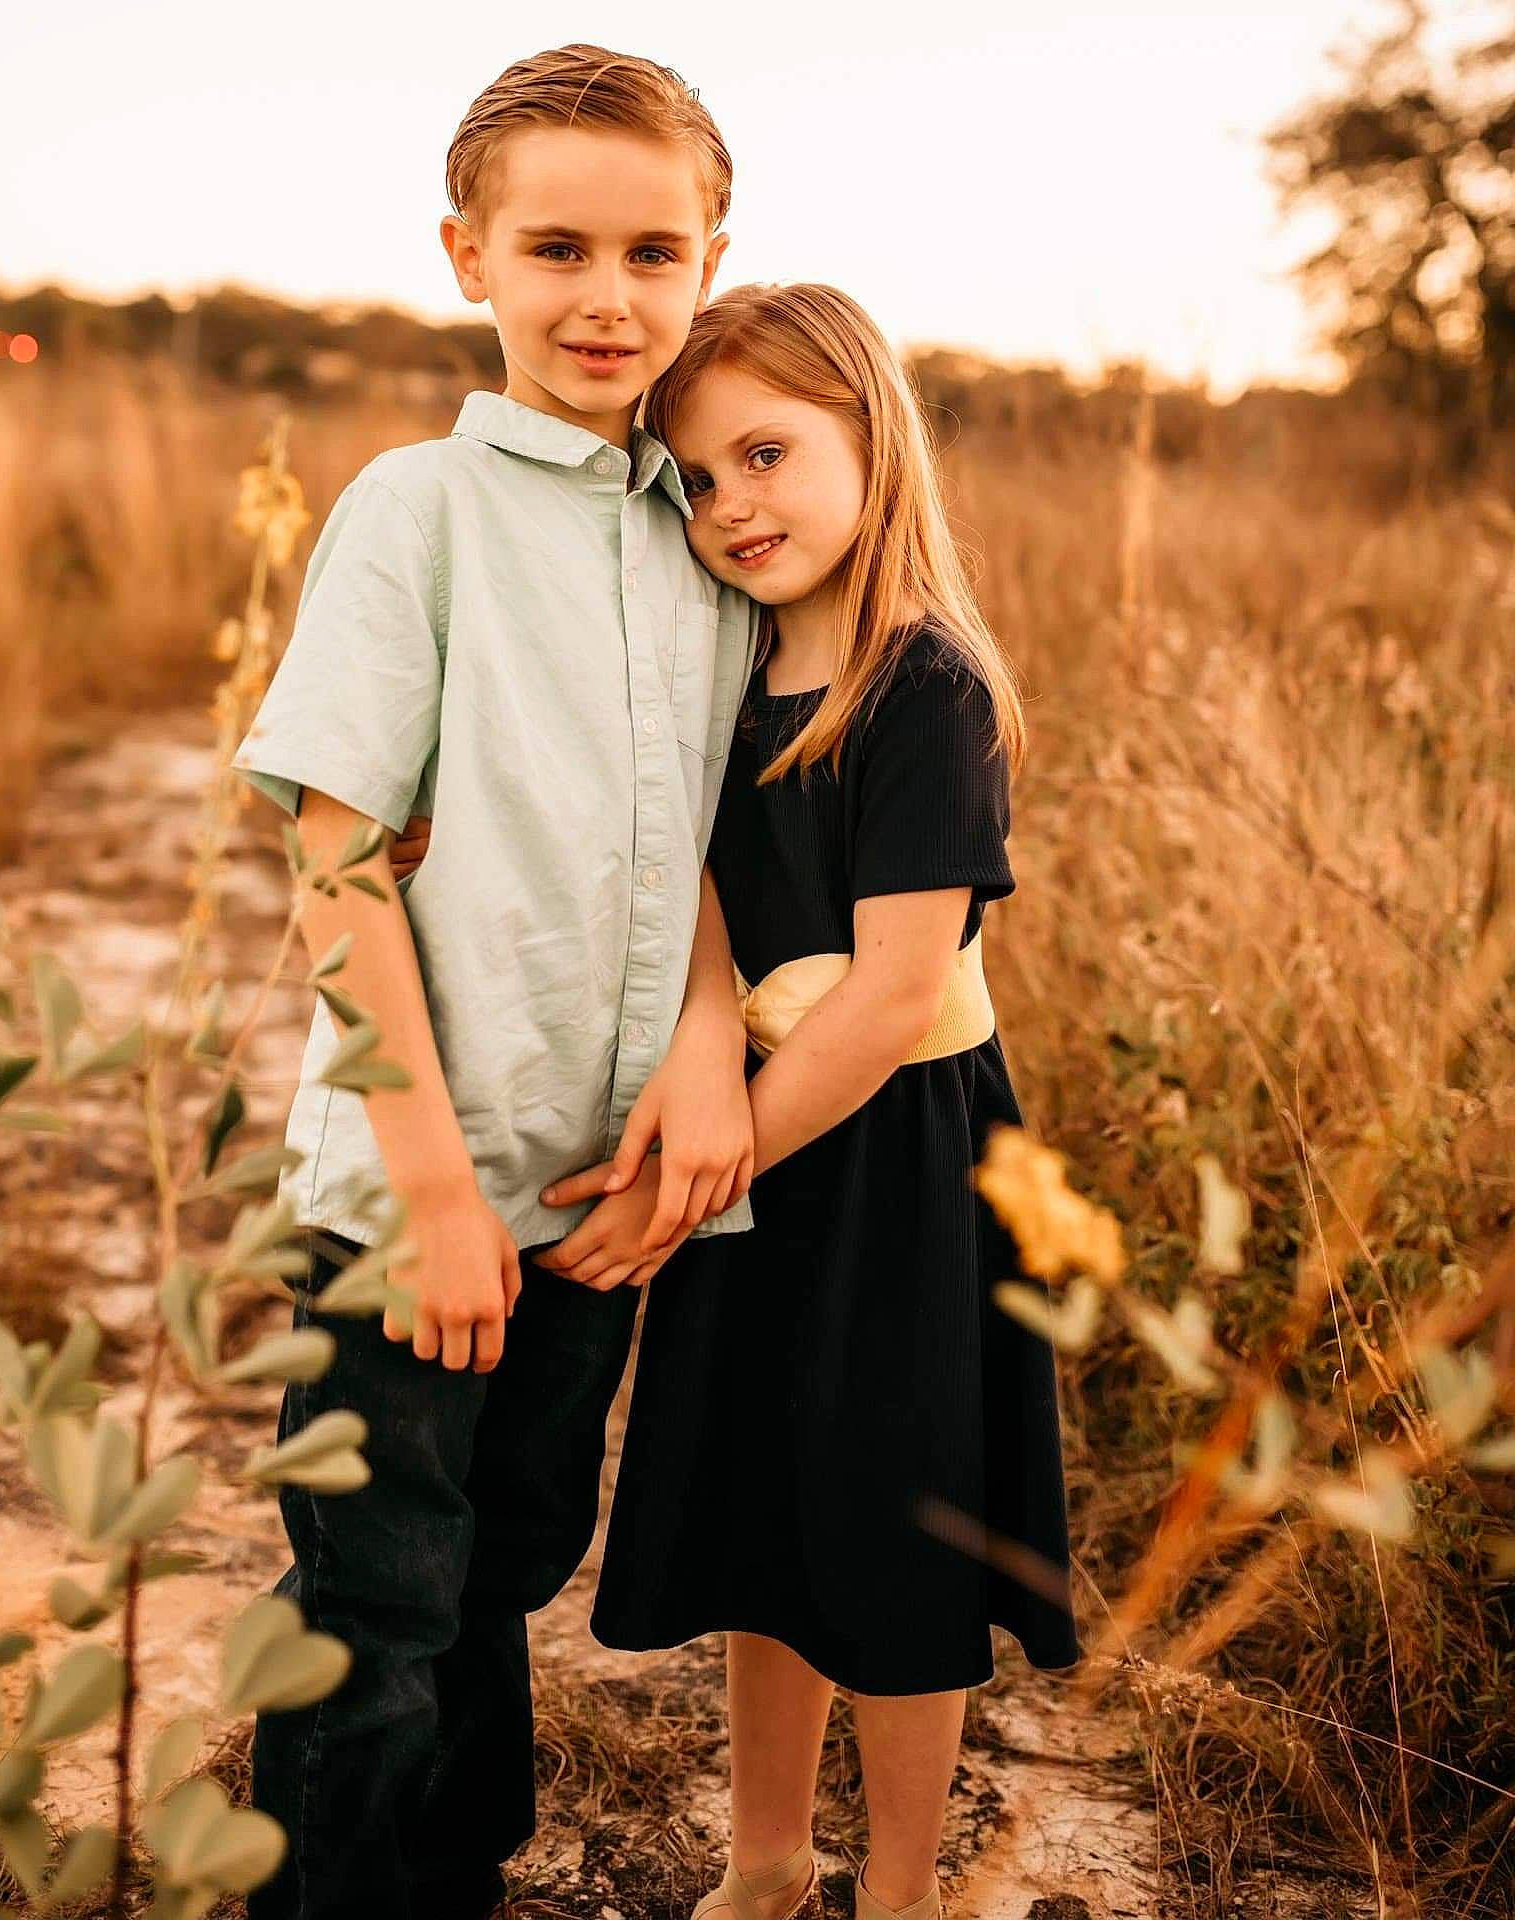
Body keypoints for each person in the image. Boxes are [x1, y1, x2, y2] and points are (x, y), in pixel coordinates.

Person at [231, 47, 759, 1920]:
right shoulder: (416, 510)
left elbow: (688, 839)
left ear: (712, 262)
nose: (607, 296)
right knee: (373, 1605)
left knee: (507, 1563)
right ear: (470, 256)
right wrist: (437, 1193)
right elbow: (333, 853)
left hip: (594, 1188)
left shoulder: (715, 541)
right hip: (412, 1187)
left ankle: (455, 1875)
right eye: (556, 247)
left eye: (652, 251)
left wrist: (708, 1049)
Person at [544, 284, 1082, 1920]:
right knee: (764, 1518)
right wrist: (706, 1079)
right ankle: (764, 1862)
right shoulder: (718, 665)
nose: (733, 508)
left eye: (767, 455)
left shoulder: (926, 685)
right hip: (755, 1138)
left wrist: (697, 1177)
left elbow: (896, 996)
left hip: (896, 1161)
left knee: (896, 1539)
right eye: (696, 481)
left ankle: (904, 1885)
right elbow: (694, 889)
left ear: (873, 433)